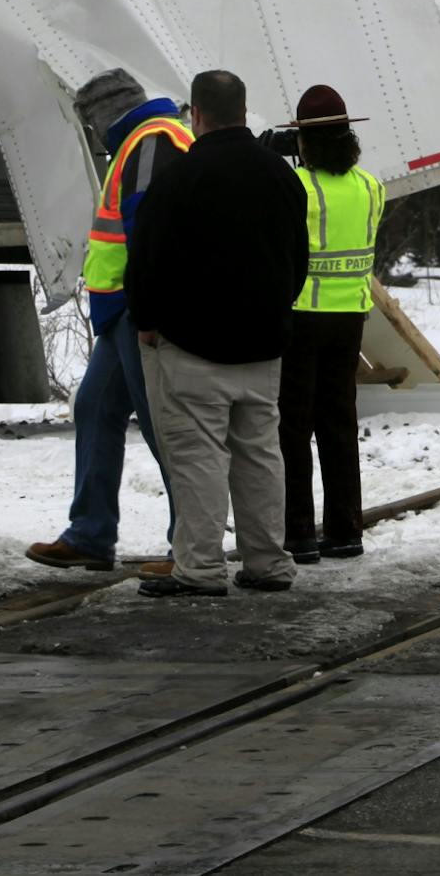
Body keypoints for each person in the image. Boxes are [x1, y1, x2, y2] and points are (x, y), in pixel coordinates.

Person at [125, 70, 308, 596]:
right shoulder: (282, 177)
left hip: (193, 347)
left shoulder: (179, 179)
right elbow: (298, 260)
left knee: (198, 457)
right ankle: (268, 562)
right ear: (244, 111)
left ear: (195, 114)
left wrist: (147, 321)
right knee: (259, 454)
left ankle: (201, 568)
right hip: (264, 345)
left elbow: (147, 263)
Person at [26, 69, 192, 575]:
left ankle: (190, 544)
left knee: (166, 430)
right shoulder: (152, 138)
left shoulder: (149, 140)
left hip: (136, 310)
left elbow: (147, 233)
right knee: (96, 409)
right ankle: (89, 535)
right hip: (122, 311)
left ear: (104, 117)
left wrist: (147, 310)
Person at [275, 85, 384, 563]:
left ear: (304, 142)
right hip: (350, 319)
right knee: (339, 424)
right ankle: (345, 531)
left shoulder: (299, 187)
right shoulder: (370, 187)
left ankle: (298, 533)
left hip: (302, 318)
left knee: (293, 428)